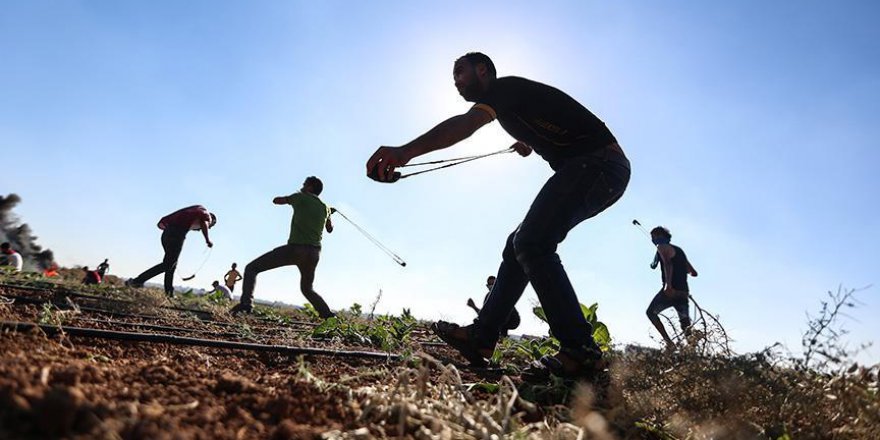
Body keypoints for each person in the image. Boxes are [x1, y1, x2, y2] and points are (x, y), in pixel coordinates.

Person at [366, 52, 631, 379]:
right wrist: (525, 142)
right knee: (517, 245)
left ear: (483, 70)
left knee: (533, 242)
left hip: (600, 165)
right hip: (592, 168)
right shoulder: (508, 106)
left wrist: (404, 152)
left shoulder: (503, 89)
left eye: (460, 73)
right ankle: (482, 338)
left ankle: (580, 349)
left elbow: (466, 124)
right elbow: (545, 121)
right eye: (454, 77)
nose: (456, 82)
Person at [230, 177, 336, 318]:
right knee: (307, 289)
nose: (302, 186)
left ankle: (245, 305)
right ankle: (328, 316)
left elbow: (277, 200)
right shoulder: (325, 208)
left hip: (296, 249)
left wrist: (296, 195)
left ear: (310, 187)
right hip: (314, 254)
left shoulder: (300, 197)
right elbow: (330, 229)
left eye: (304, 184)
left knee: (252, 268)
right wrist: (329, 213)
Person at [126, 205, 216, 297]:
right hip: (176, 235)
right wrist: (207, 240)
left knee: (171, 265)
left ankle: (169, 293)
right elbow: (204, 223)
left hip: (166, 234)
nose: (206, 228)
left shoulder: (194, 212)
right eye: (210, 226)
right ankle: (136, 281)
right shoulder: (206, 215)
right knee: (168, 264)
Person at [646, 226, 698, 349]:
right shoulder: (679, 250)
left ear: (660, 236)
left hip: (671, 291)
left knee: (651, 313)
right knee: (685, 325)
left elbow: (668, 264)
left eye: (653, 237)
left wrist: (668, 285)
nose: (653, 240)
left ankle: (669, 343)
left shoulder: (661, 247)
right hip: (683, 293)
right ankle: (692, 352)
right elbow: (693, 272)